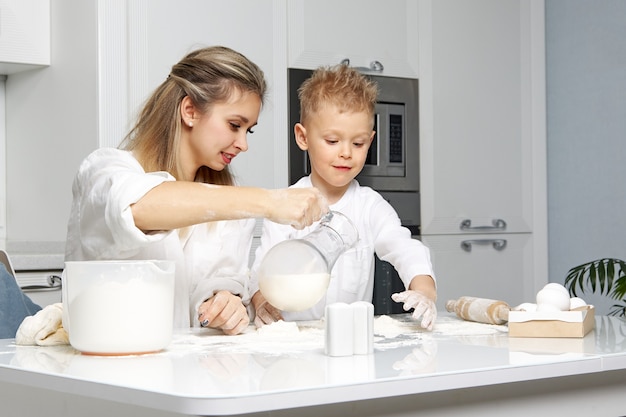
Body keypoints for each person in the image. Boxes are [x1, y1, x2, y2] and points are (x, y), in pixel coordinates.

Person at [65, 46, 328, 335]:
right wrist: (269, 200)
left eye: (248, 130)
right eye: (234, 125)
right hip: (106, 363)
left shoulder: (230, 203)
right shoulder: (105, 171)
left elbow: (217, 285)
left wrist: (224, 304)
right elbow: (135, 208)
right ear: (190, 111)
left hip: (188, 372)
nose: (243, 144)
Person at [249, 64, 437, 330]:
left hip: (350, 341)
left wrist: (423, 291)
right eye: (332, 141)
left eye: (358, 143)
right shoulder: (285, 206)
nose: (346, 153)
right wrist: (261, 303)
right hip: (292, 343)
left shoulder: (369, 207)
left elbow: (405, 250)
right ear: (303, 137)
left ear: (369, 142)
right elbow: (260, 273)